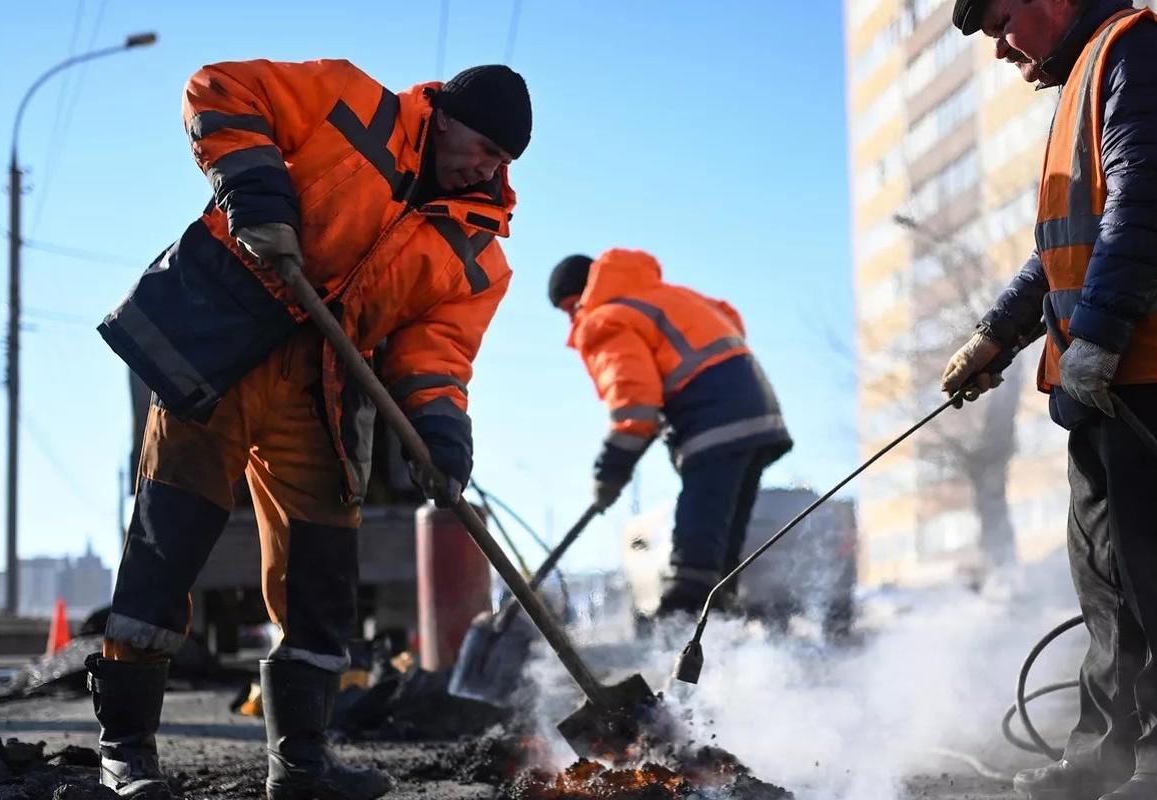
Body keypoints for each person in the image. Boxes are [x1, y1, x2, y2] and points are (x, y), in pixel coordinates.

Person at [92, 60, 532, 800]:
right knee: (170, 541)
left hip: (324, 382)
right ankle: (125, 751)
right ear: (446, 118)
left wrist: (441, 438)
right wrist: (256, 190)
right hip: (227, 338)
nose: (488, 168)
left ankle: (301, 763)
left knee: (320, 568)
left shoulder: (477, 255)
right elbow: (219, 87)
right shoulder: (353, 103)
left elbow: (437, 357)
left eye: (504, 161)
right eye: (484, 147)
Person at [941, 1, 1157, 798]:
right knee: (1108, 579)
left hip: (1151, 377)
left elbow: (1148, 205)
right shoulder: (1086, 79)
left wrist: (1100, 336)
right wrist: (997, 335)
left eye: (1004, 23)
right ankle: (1107, 755)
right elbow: (1062, 252)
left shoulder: (1137, 53)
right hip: (1105, 387)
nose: (1002, 49)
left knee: (1156, 574)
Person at [548, 249, 793, 618]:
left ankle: (678, 650)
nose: (572, 321)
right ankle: (725, 654)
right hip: (759, 415)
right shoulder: (671, 296)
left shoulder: (605, 319)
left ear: (583, 295)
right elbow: (730, 324)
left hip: (715, 423)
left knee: (693, 564)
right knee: (719, 562)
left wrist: (609, 472)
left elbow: (634, 407)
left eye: (570, 309)